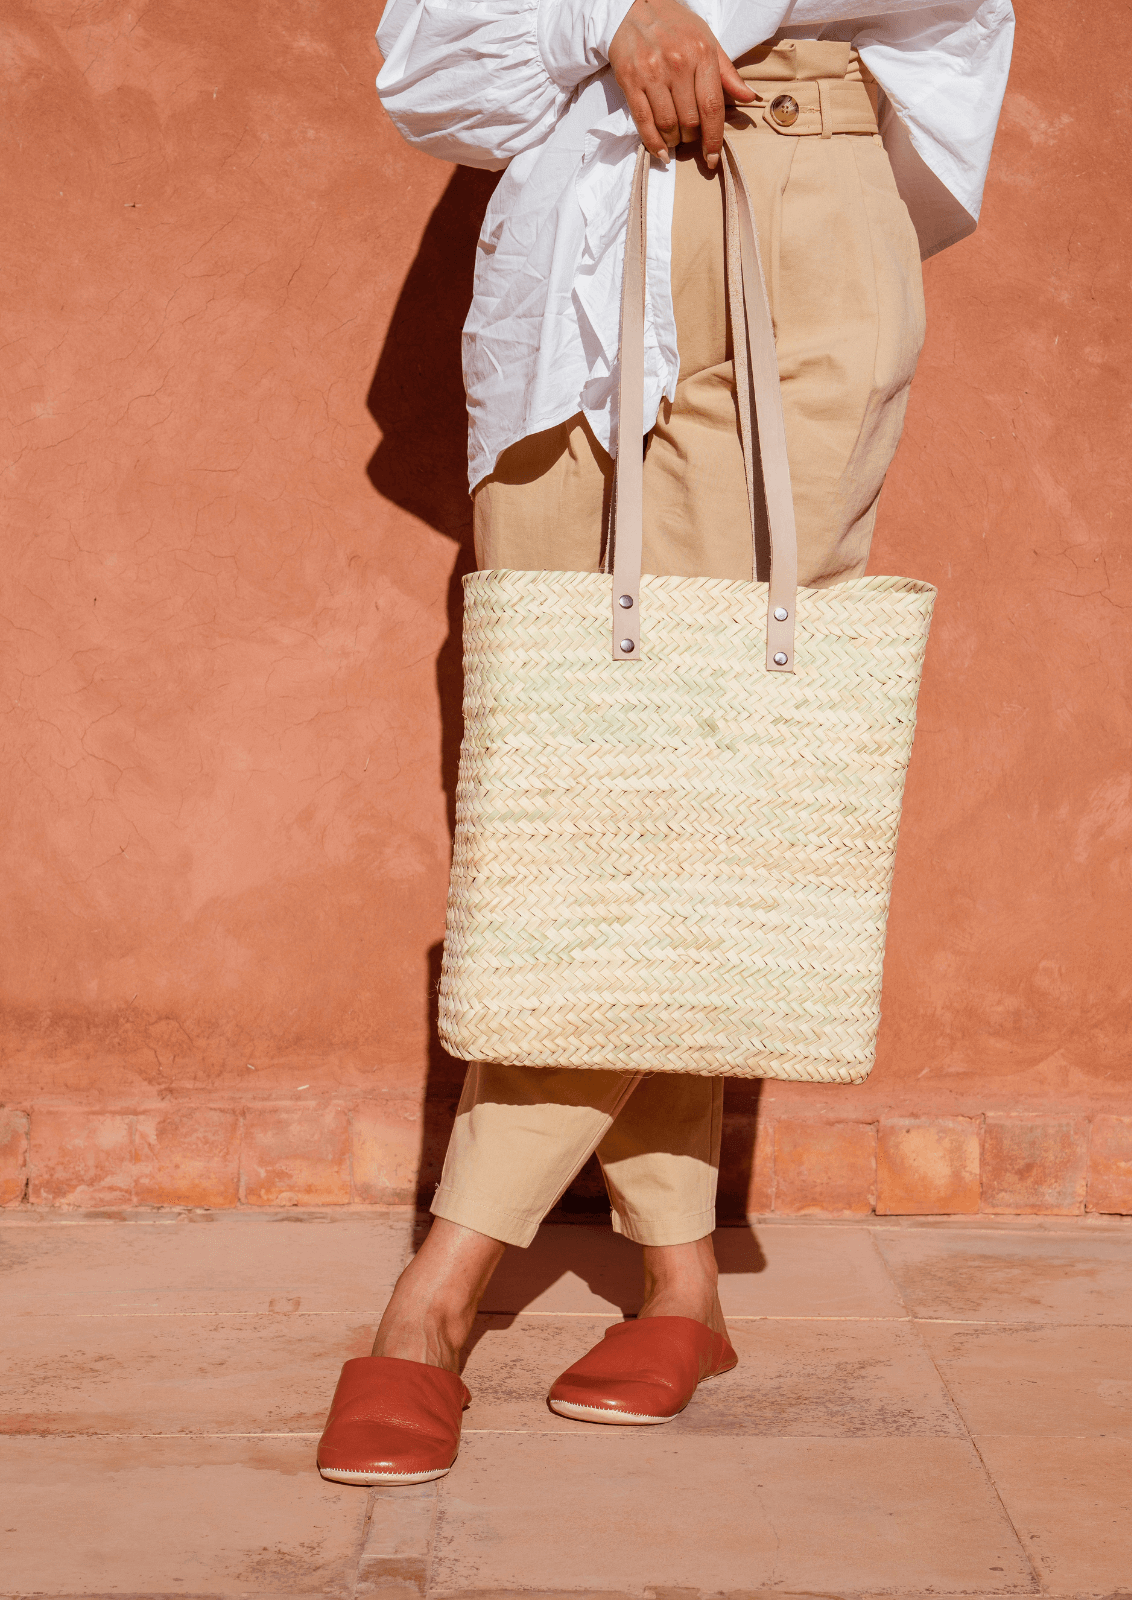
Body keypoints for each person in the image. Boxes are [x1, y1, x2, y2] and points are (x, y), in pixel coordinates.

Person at [316, 0, 1014, 1486]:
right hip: (575, 226)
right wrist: (612, 21)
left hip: (796, 200)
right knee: (585, 789)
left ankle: (440, 1288)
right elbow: (428, 66)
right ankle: (683, 1283)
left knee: (691, 773)